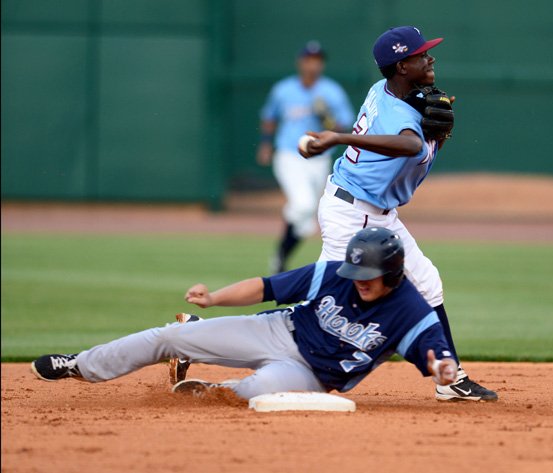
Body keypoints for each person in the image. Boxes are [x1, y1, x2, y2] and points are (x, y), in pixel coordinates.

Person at [297, 26, 498, 402]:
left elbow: (405, 136)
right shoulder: (396, 111)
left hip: (374, 213)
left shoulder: (386, 89)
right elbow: (406, 144)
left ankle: (448, 378)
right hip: (353, 215)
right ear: (402, 65)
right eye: (422, 54)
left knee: (427, 283)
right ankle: (202, 340)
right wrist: (340, 138)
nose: (430, 57)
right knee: (323, 302)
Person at [31, 227, 459, 400]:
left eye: (369, 274)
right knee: (170, 337)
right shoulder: (333, 274)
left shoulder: (410, 310)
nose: (359, 281)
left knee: (255, 394)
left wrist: (442, 370)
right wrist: (214, 297)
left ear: (394, 272)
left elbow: (435, 352)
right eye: (356, 272)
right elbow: (265, 288)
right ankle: (82, 365)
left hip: (313, 375)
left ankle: (215, 390)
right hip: (277, 331)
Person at [257, 41, 355, 274]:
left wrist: (327, 118)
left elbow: (345, 125)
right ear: (301, 62)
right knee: (303, 204)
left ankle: (280, 257)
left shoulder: (331, 91)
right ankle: (283, 253)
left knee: (307, 223)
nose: (313, 64)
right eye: (309, 59)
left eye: (318, 60)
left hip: (319, 159)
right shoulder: (284, 89)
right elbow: (269, 117)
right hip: (289, 155)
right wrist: (265, 144)